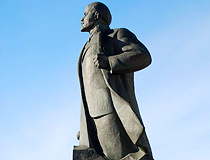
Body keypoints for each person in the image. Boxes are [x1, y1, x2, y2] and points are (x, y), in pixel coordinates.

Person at [77, 2, 153, 160]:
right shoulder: (85, 48)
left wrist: (110, 62)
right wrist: (85, 126)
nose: (82, 18)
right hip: (91, 116)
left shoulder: (117, 35)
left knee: (121, 156)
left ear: (96, 15)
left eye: (85, 14)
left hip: (111, 111)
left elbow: (143, 56)